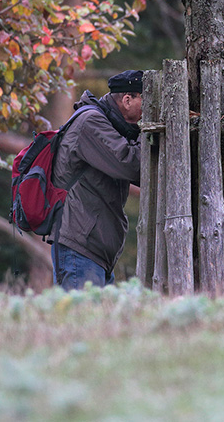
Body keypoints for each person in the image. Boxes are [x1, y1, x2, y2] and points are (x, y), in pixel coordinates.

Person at [49, 70, 143, 290]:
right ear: (127, 100)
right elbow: (132, 165)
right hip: (80, 248)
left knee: (95, 322)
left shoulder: (109, 125)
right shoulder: (90, 123)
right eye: (145, 102)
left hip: (92, 249)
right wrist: (147, 131)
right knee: (81, 320)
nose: (148, 111)